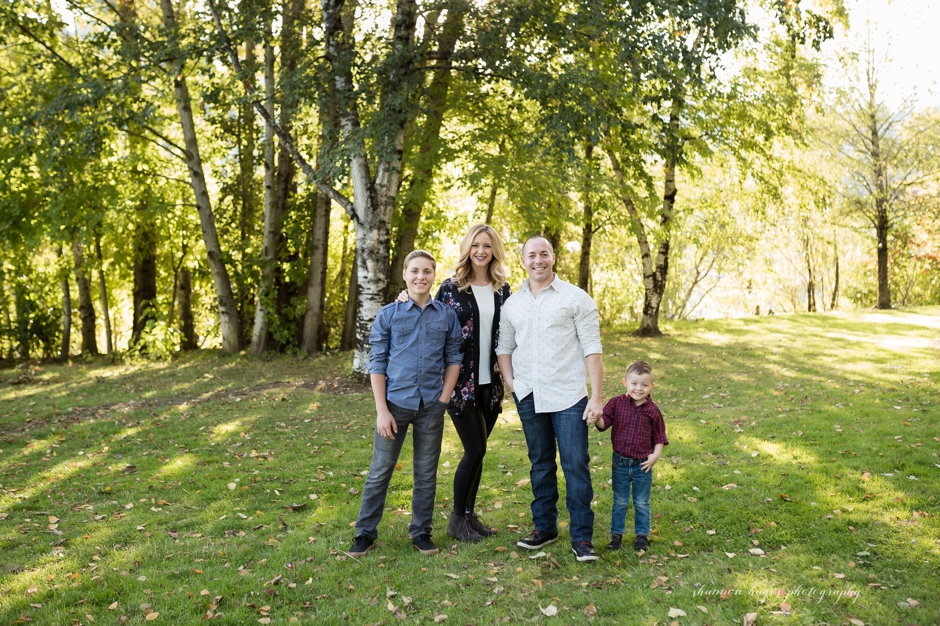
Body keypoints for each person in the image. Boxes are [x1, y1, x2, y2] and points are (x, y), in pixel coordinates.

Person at [496, 235, 604, 563]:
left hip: (569, 396)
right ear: (523, 261)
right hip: (529, 395)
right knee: (540, 464)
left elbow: (592, 349)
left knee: (575, 466)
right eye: (532, 255)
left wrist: (596, 398)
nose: (538, 260)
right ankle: (544, 527)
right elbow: (504, 347)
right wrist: (512, 383)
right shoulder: (512, 304)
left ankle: (582, 538)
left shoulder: (576, 298)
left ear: (553, 257)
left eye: (544, 254)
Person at [348, 250, 462, 557]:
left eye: (427, 271)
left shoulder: (446, 315)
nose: (420, 277)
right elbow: (377, 364)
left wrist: (444, 398)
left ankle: (421, 531)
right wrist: (381, 411)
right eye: (415, 271)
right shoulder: (389, 314)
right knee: (380, 469)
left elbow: (454, 359)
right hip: (395, 405)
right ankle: (365, 532)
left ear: (433, 276)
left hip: (431, 406)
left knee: (426, 472)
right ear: (405, 274)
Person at [435, 224, 512, 542]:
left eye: (488, 246)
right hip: (460, 382)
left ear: (495, 251)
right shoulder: (451, 288)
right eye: (476, 245)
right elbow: (430, 318)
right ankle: (456, 520)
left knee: (479, 452)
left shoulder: (502, 288)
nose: (481, 251)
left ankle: (468, 515)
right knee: (474, 448)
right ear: (468, 248)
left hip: (490, 382)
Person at [587, 360, 668, 553]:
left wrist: (655, 456)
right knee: (620, 500)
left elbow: (659, 437)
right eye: (634, 384)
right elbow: (602, 425)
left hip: (643, 464)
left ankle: (642, 536)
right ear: (625, 383)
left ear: (652, 386)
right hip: (620, 462)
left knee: (641, 501)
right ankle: (616, 537)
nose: (639, 389)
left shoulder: (653, 410)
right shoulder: (617, 403)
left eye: (644, 385)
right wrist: (596, 416)